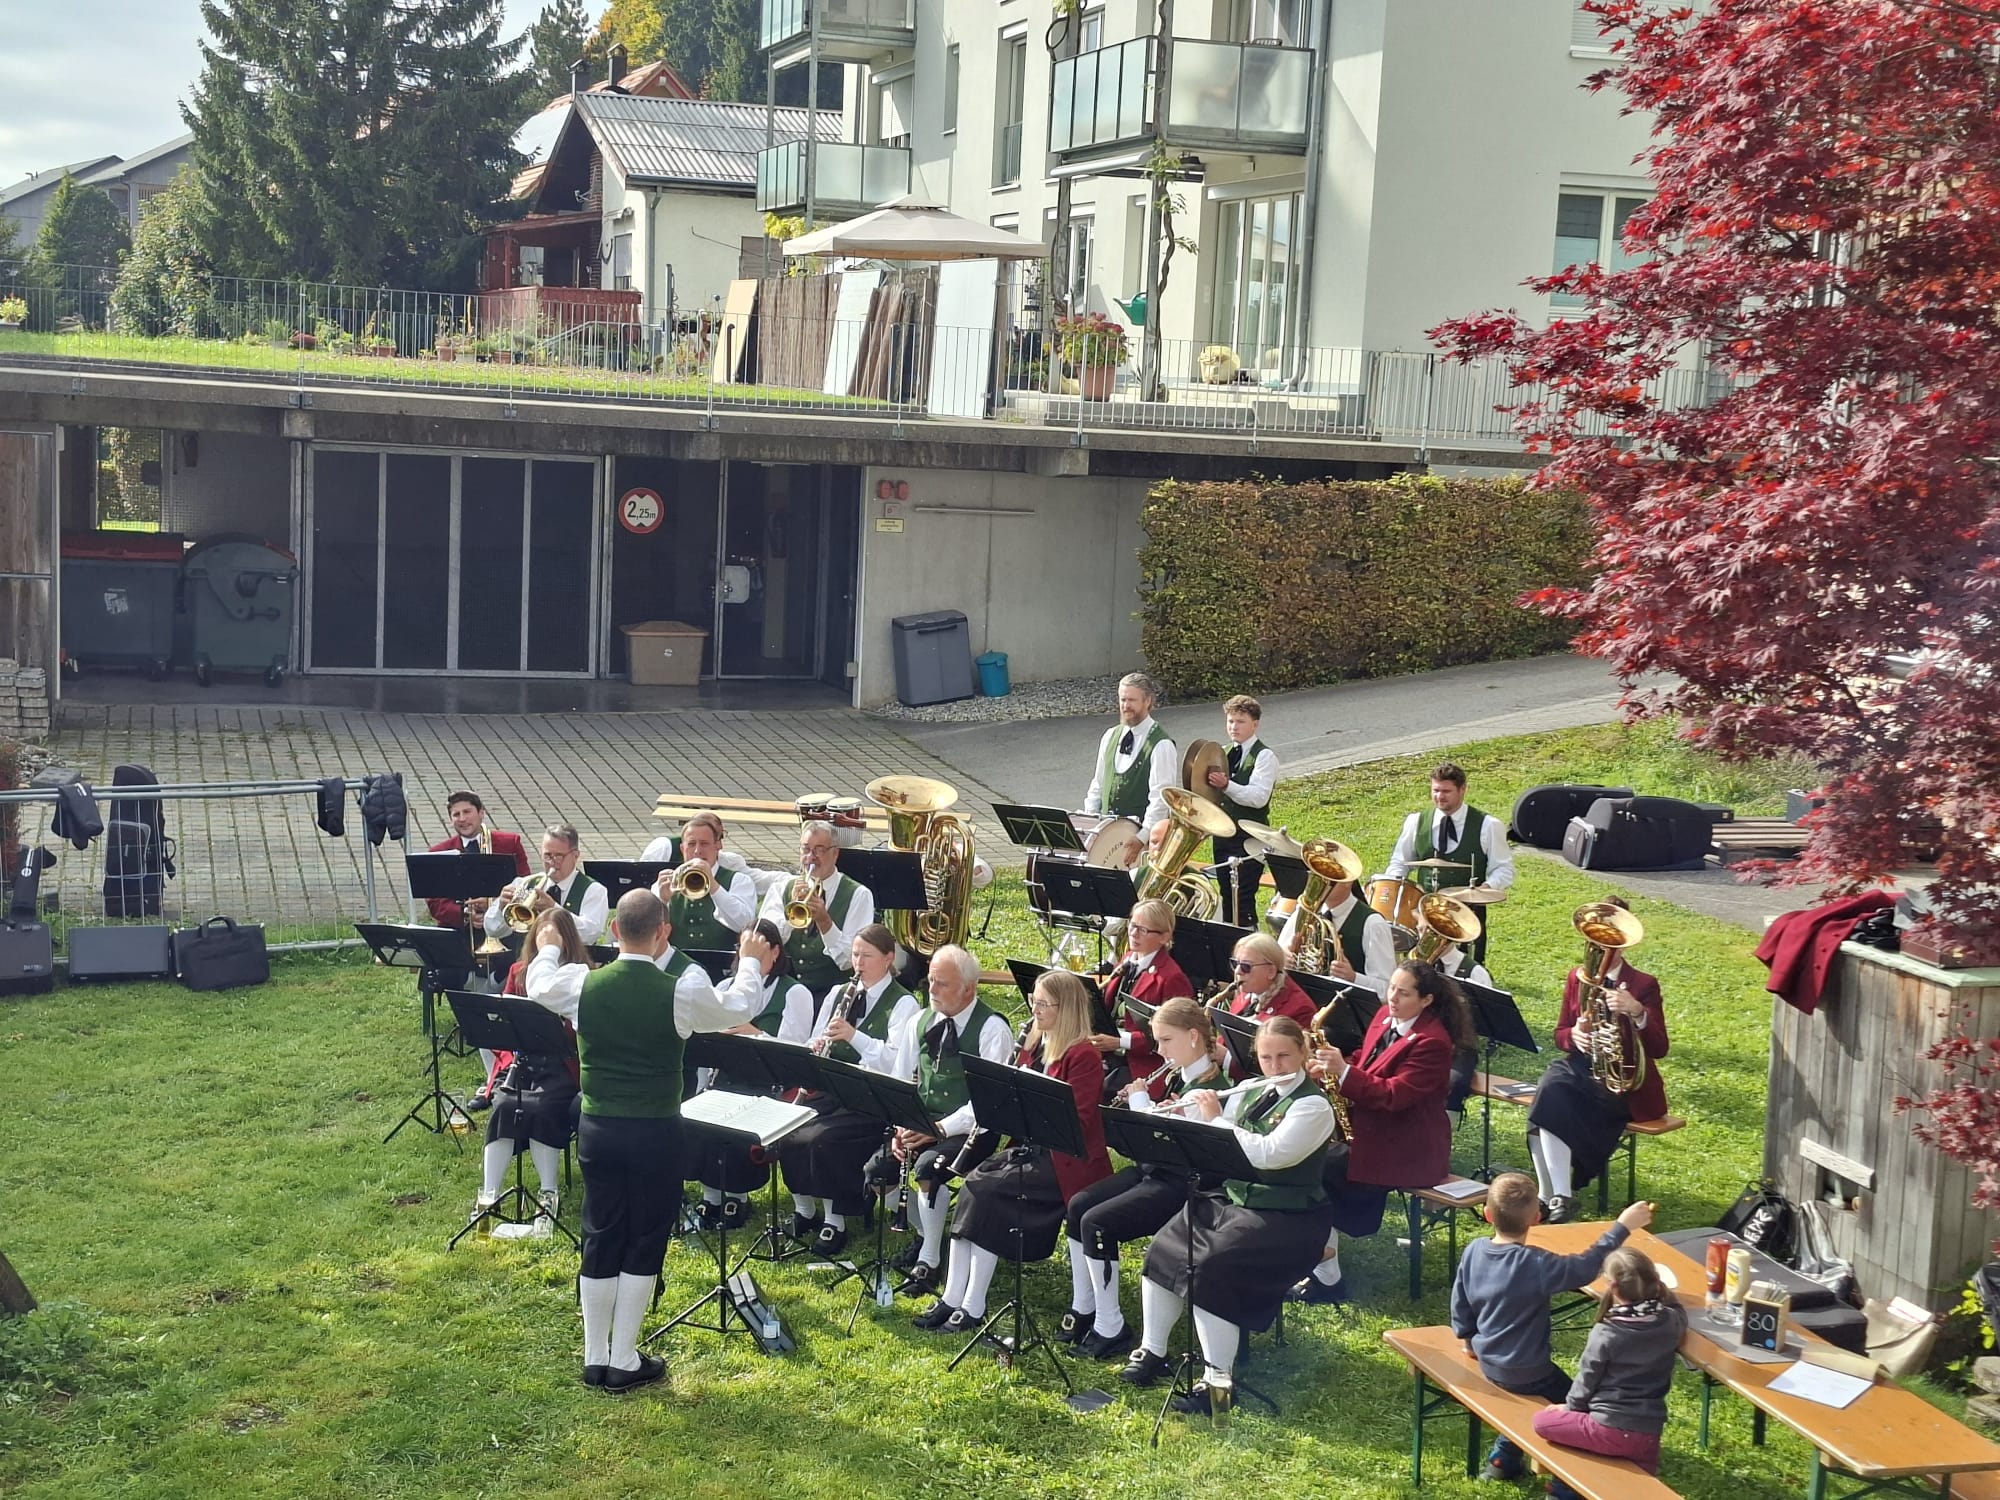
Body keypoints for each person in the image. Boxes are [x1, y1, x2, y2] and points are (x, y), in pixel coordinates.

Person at [525, 888, 769, 1392]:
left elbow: (537, 983)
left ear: (615, 931)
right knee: (644, 1236)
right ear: (663, 934)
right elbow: (739, 1006)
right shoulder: (680, 990)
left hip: (598, 1128)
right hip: (656, 1130)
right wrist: (749, 960)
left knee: (601, 1231)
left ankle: (595, 1357)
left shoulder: (582, 984)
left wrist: (549, 945)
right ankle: (624, 1358)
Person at [1119, 1016, 1339, 1417]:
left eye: (1284, 1056)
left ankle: (1218, 1383)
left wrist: (1216, 1120)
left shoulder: (1313, 1106)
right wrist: (1178, 1116)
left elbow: (1268, 1155)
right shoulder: (1252, 1090)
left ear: (1303, 1052)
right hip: (1236, 1200)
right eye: (1266, 1058)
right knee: (1165, 1247)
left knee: (1211, 1269)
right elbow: (1214, 1142)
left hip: (1289, 1215)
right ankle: (1153, 1350)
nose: (1275, 1066)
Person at [914, 970, 1113, 1336]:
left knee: (987, 1194)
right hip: (1028, 1149)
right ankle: (953, 1297)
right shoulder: (1034, 1043)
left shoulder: (1082, 1054)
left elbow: (1080, 1121)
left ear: (1065, 1009)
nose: (1034, 1009)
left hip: (1066, 1161)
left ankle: (973, 1304)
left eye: (1043, 1004)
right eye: (1034, 1001)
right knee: (973, 1187)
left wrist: (1036, 1094)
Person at [1448, 1172, 1654, 1482]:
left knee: (1547, 1402)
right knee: (1583, 1409)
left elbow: (1460, 1300)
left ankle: (1503, 1460)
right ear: (1536, 1218)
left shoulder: (1475, 1249)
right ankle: (1566, 1484)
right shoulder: (1535, 1264)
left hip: (1488, 1359)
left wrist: (1466, 1338)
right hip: (1529, 1372)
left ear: (1488, 1214)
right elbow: (1585, 1267)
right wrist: (1622, 1226)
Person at [1294, 960, 1475, 1304]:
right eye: (1392, 987)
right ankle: (1319, 1263)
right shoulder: (1383, 1017)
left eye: (1403, 993)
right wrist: (1330, 1069)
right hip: (1374, 1132)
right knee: (1307, 1157)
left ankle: (1327, 1277)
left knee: (1318, 1167)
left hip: (1409, 1149)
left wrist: (1344, 1073)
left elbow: (1394, 1095)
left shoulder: (1433, 1043)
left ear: (1426, 1000)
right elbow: (1369, 1061)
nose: (1392, 997)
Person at [1064, 997, 1225, 1360]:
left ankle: (1110, 1326)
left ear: (1194, 1037)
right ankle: (1084, 1306)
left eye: (1166, 1041)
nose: (1160, 1051)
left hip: (1184, 1184)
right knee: (1078, 1206)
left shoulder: (1209, 1087)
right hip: (1153, 1171)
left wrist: (1140, 1105)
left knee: (1097, 1223)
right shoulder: (1180, 1075)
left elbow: (1167, 1137)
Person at [878, 945, 1018, 1295]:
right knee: (876, 1173)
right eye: (930, 981)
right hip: (923, 1122)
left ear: (968, 989)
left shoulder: (992, 1029)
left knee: (928, 1169)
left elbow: (989, 1104)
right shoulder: (920, 1021)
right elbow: (901, 1079)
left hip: (972, 1129)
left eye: (942, 983)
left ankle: (929, 1260)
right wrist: (901, 1126)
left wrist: (939, 1129)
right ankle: (929, 1233)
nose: (932, 989)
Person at [776, 923, 920, 1255]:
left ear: (888, 958)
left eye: (866, 956)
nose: (858, 963)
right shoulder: (839, 993)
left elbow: (893, 1062)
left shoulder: (904, 1004)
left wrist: (854, 1036)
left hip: (871, 1098)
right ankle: (805, 1210)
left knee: (824, 1141)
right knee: (787, 1131)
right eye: (855, 955)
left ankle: (835, 1220)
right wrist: (816, 1047)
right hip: (832, 1088)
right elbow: (815, 1037)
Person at [1527, 898, 1670, 1223]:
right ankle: (1556, 1196)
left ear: (1624, 944)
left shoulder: (1643, 985)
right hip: (1583, 1067)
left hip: (1623, 1079)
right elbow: (1560, 1033)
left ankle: (1553, 1198)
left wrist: (1637, 1011)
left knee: (1554, 1098)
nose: (1600, 947)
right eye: (1595, 938)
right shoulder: (1577, 978)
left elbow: (1660, 1047)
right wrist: (1574, 1035)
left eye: (1609, 941)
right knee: (1550, 1088)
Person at [686, 916, 819, 1229]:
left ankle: (737, 1196)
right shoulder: (725, 988)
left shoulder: (794, 992)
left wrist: (756, 1034)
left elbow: (795, 1052)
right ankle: (711, 1196)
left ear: (775, 952)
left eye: (757, 949)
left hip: (769, 1085)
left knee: (736, 1127)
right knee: (698, 1123)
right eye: (744, 948)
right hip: (726, 1080)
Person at [471, 907, 590, 1239]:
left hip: (563, 1069)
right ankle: (488, 1195)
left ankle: (548, 1193)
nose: (545, 942)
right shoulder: (519, 972)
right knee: (504, 1106)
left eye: (552, 937)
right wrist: (509, 1058)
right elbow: (504, 1026)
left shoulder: (579, 976)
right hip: (522, 1064)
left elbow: (584, 1036)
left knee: (542, 1108)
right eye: (541, 936)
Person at [1532, 1246, 1686, 1489]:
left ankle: (1564, 1491)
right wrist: (1665, 1291)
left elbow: (1586, 1381)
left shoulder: (1607, 1333)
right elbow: (1679, 1312)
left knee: (1542, 1421)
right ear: (1656, 1282)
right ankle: (1565, 1490)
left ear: (1613, 1287)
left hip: (1607, 1427)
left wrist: (1570, 1410)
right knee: (1636, 1488)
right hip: (1648, 1434)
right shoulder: (1669, 1322)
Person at [1386, 761, 1515, 966]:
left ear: (1463, 790)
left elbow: (1503, 869)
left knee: (1463, 969)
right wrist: (1394, 890)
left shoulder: (1488, 825)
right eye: (1435, 790)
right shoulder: (1416, 821)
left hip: (1465, 914)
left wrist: (1485, 888)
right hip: (1424, 912)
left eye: (1446, 791)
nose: (1440, 796)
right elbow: (1400, 862)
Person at [1087, 898, 1196, 1104]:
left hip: (1140, 1067)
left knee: (1092, 1090)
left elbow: (1175, 1037)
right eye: (1132, 925)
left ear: (1164, 937)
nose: (1134, 934)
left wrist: (1120, 1041)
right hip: (1110, 1054)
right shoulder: (1129, 958)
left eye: (1143, 930)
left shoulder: (1172, 978)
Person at [757, 820, 876, 997]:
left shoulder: (859, 895)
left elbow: (848, 961)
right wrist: (791, 914)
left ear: (835, 853)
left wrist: (825, 922)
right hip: (784, 990)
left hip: (832, 994)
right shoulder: (781, 888)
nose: (811, 857)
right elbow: (763, 943)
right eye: (806, 849)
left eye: (819, 850)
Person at [1204, 695, 1279, 927]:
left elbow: (1258, 798)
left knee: (1243, 898)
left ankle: (1248, 938)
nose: (1233, 727)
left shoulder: (1264, 756)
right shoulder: (1223, 753)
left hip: (1249, 838)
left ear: (1255, 724)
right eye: (1230, 721)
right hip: (1223, 836)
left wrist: (1227, 785)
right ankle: (1231, 941)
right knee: (1227, 896)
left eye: (1240, 721)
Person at [1082, 672, 1178, 839]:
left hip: (1139, 839)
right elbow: (1098, 785)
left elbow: (1160, 799)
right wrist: (1090, 823)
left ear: (1148, 701)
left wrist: (1142, 837)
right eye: (1122, 700)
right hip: (1104, 837)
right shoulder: (1110, 736)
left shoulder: (1161, 745)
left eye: (1132, 700)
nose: (1126, 706)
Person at [1277, 868, 1398, 996]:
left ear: (1348, 881)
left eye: (1330, 878)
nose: (1322, 882)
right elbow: (1272, 957)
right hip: (1301, 1000)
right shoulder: (1305, 913)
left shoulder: (1373, 924)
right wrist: (1281, 958)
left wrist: (1353, 978)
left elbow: (1386, 989)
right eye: (1318, 874)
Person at [649, 813, 756, 956]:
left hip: (724, 964)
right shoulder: (665, 883)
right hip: (675, 964)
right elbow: (646, 934)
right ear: (682, 849)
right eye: (691, 844)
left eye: (704, 844)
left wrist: (714, 886)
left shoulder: (739, 880)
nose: (697, 851)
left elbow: (744, 924)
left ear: (718, 846)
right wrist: (662, 901)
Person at [485, 824, 607, 948]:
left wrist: (553, 908)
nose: (552, 862)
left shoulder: (594, 890)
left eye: (559, 856)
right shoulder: (524, 883)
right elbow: (492, 930)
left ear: (575, 856)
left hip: (571, 960)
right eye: (547, 856)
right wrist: (501, 908)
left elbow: (590, 934)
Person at [424, 790, 529, 930]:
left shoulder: (510, 843)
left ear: (481, 813)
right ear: (450, 820)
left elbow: (525, 885)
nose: (462, 819)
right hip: (458, 930)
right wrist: (465, 914)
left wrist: (493, 904)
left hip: (503, 925)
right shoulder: (439, 852)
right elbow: (435, 902)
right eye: (456, 814)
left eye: (467, 812)